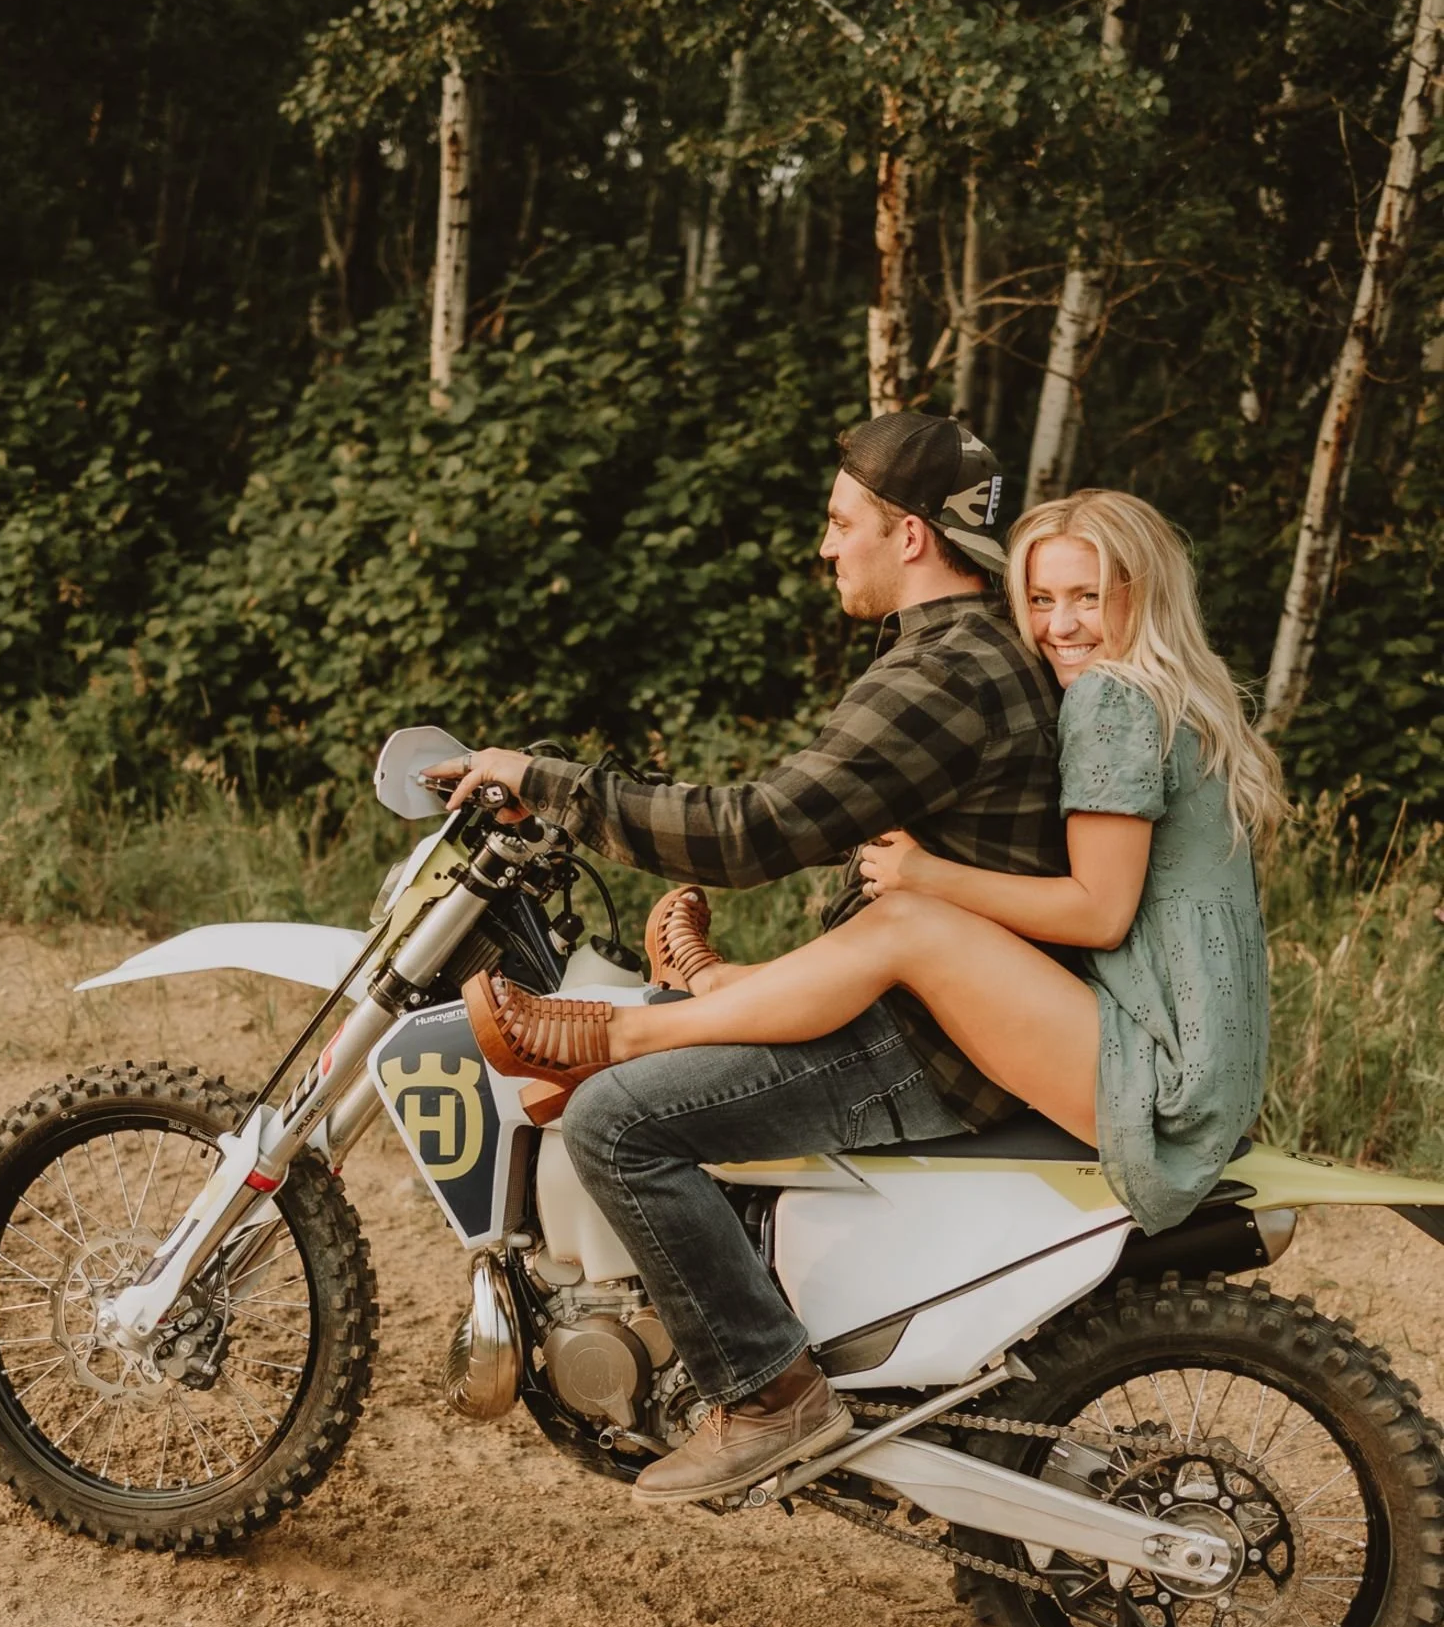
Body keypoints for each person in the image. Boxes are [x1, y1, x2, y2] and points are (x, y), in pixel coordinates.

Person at [454, 488, 1288, 1504]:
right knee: (898, 933)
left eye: (1088, 597)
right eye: (1043, 599)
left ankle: (626, 1051)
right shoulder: (1158, 694)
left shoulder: (1113, 701)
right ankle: (712, 992)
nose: (1061, 624)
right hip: (1173, 1051)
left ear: (1142, 596)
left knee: (901, 927)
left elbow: (1100, 913)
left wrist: (928, 876)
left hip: (1156, 1073)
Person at [430, 411, 1068, 1506]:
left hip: (925, 1041)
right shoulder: (959, 654)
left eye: (840, 522)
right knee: (670, 1016)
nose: (826, 547)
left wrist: (551, 784)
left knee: (616, 1120)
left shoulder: (947, 675)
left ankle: (769, 1392)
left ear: (910, 536)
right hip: (926, 1002)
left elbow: (753, 831)